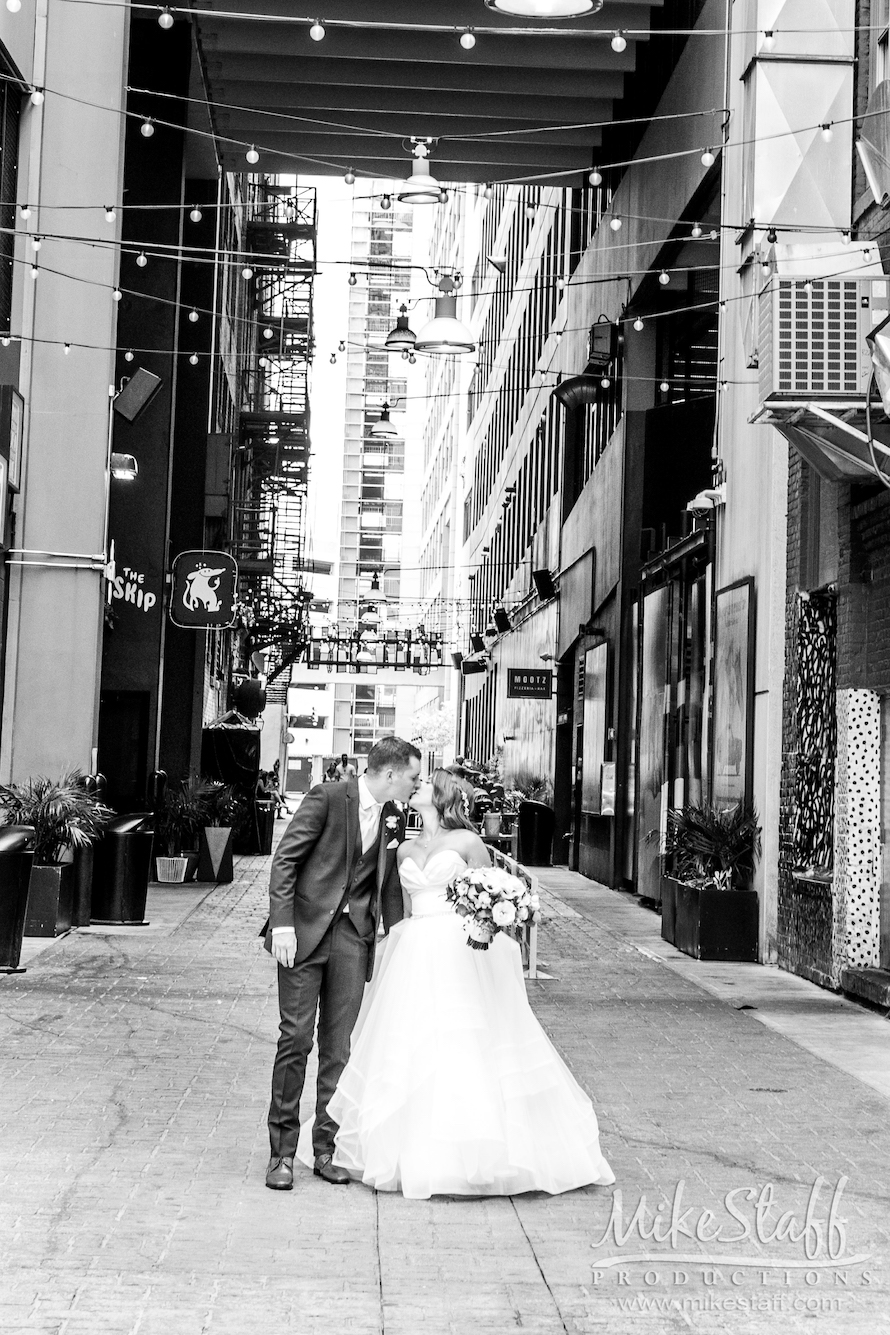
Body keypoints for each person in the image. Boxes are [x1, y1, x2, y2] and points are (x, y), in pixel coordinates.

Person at [319, 768, 615, 1199]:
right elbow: (395, 906)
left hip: (458, 949)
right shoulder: (400, 848)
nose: (415, 785)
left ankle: (473, 1151)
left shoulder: (468, 843)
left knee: (462, 1040)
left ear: (441, 797)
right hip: (413, 950)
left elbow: (496, 890)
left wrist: (489, 921)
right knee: (411, 1042)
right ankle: (407, 1148)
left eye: (424, 783)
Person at [263, 736, 423, 1191]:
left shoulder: (395, 816)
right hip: (304, 936)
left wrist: (400, 932)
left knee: (339, 1049)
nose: (415, 785)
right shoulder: (329, 797)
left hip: (354, 940)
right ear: (390, 774)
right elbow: (286, 861)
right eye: (412, 777)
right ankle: (281, 1154)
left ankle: (326, 1149)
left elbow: (386, 881)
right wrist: (283, 927)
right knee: (295, 1039)